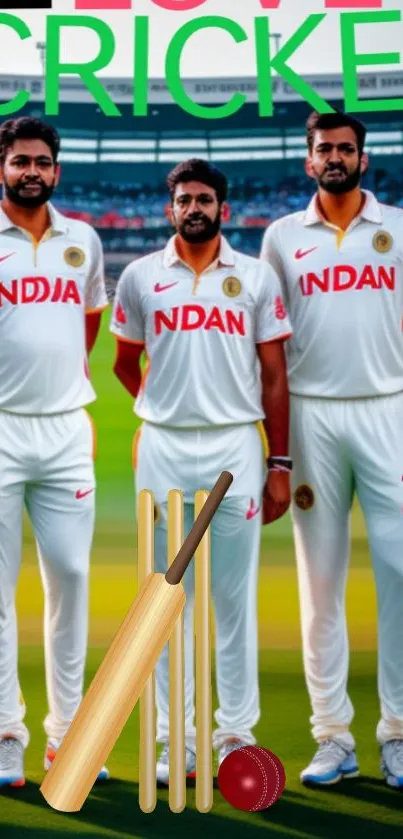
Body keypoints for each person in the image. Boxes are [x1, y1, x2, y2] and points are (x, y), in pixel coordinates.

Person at [110, 158, 292, 782]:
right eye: (185, 199)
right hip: (163, 450)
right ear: (170, 209)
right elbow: (124, 362)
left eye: (205, 200)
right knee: (165, 600)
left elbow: (273, 375)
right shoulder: (138, 276)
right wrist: (157, 412)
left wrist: (278, 464)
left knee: (233, 599)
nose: (195, 208)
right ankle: (174, 740)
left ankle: (235, 735)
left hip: (234, 448)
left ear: (223, 209)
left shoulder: (257, 277)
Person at [260, 110, 403, 789]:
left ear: (362, 159)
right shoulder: (281, 238)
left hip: (387, 409)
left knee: (399, 573)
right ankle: (332, 736)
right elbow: (268, 346)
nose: (335, 157)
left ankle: (397, 732)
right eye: (324, 149)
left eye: (346, 148)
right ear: (308, 159)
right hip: (313, 414)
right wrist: (275, 451)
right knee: (320, 585)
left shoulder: (397, 227)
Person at [0, 117, 109, 787]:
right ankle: (6, 732)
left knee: (70, 579)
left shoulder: (84, 240)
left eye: (42, 162)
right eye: (19, 162)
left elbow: (87, 325)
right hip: (0, 428)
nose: (32, 171)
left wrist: (62, 391)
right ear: (2, 168)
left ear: (57, 171)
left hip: (66, 431)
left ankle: (68, 736)